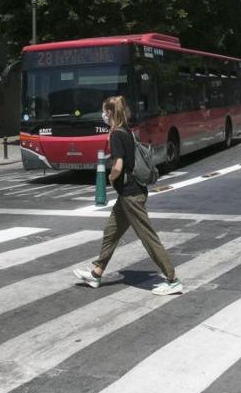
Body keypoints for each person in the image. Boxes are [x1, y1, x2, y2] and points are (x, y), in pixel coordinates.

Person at [73, 95, 182, 296]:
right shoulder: (127, 132)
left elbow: (119, 165)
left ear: (112, 113)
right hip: (129, 194)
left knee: (148, 237)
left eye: (105, 111)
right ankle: (96, 273)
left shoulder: (116, 134)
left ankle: (172, 279)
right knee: (111, 232)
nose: (103, 115)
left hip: (131, 195)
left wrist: (111, 178)